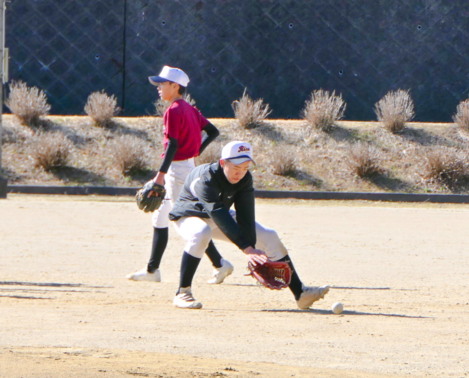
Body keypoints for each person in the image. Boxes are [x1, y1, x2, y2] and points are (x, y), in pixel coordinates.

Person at [168, 140, 329, 310]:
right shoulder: (206, 178)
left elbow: (245, 215)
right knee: (201, 233)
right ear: (223, 162)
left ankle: (300, 293)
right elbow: (216, 211)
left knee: (269, 236)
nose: (240, 173)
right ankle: (182, 292)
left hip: (218, 218)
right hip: (188, 217)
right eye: (236, 168)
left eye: (245, 168)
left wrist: (253, 249)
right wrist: (246, 248)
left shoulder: (245, 179)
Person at [127, 66, 230, 284]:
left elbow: (172, 144)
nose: (159, 88)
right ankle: (152, 270)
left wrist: (160, 176)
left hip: (177, 171)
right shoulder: (190, 110)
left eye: (163, 84)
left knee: (184, 220)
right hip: (186, 166)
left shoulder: (173, 110)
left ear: (175, 86)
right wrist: (195, 151)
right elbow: (213, 132)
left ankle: (220, 263)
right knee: (160, 216)